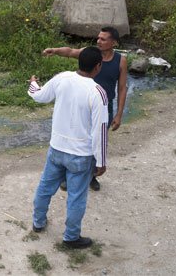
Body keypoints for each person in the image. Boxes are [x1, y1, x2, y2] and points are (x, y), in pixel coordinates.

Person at [28, 46, 108, 249]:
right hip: (81, 156)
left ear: (79, 61)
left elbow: (39, 96)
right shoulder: (98, 92)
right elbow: (100, 130)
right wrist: (101, 161)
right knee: (76, 197)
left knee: (45, 188)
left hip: (56, 149)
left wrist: (33, 84)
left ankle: (38, 223)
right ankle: (71, 237)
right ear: (98, 66)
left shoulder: (62, 78)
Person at [42, 26, 127, 191]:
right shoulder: (90, 53)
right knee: (77, 140)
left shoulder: (120, 60)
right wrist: (55, 50)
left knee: (97, 141)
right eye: (98, 38)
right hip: (83, 106)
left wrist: (119, 114)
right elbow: (70, 51)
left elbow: (122, 88)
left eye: (103, 39)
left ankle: (91, 175)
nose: (98, 41)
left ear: (114, 42)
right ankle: (69, 175)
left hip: (104, 107)